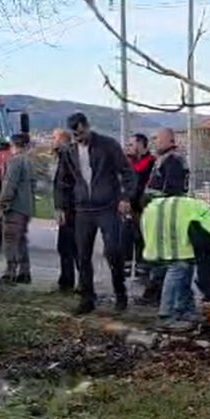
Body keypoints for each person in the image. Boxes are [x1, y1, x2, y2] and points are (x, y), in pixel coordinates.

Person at [56, 112, 136, 315]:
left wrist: (126, 197)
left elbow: (127, 172)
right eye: (75, 135)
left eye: (81, 133)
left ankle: (120, 293)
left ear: (88, 126)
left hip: (107, 207)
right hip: (82, 209)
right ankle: (87, 298)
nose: (79, 138)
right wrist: (61, 207)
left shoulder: (108, 145)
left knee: (113, 252)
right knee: (82, 256)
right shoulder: (69, 151)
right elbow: (62, 182)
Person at [141, 195, 210, 331]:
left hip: (161, 214)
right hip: (160, 218)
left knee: (187, 266)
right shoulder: (207, 229)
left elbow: (204, 254)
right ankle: (166, 317)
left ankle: (185, 311)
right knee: (179, 267)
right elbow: (203, 261)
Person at [138, 127, 190, 305]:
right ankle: (154, 292)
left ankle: (157, 295)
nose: (155, 143)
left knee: (162, 257)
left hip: (166, 214)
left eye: (159, 139)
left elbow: (171, 191)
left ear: (170, 140)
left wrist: (151, 199)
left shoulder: (174, 161)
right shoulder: (165, 159)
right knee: (159, 256)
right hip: (158, 213)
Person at [0, 133, 35, 284]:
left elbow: (9, 184)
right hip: (26, 207)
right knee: (21, 240)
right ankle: (24, 272)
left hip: (14, 207)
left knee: (10, 240)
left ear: (13, 144)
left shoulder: (15, 161)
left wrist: (2, 204)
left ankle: (10, 272)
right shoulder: (29, 161)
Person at [125, 133, 155, 277]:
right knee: (127, 237)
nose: (129, 148)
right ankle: (127, 267)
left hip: (143, 208)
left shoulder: (150, 162)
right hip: (130, 207)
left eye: (132, 144)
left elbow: (140, 186)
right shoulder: (129, 163)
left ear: (141, 144)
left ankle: (143, 270)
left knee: (142, 238)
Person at [51, 129, 78, 292]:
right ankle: (66, 280)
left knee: (71, 247)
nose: (52, 141)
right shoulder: (64, 156)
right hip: (70, 208)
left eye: (54, 138)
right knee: (66, 247)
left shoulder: (68, 156)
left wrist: (61, 207)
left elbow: (64, 185)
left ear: (62, 139)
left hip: (72, 209)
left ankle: (71, 283)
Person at [147, 128, 189, 198]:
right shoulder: (166, 158)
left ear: (166, 139)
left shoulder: (173, 160)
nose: (155, 142)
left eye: (157, 139)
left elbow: (171, 190)